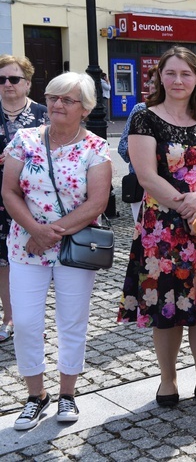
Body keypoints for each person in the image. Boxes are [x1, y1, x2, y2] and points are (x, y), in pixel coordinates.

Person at [117, 46, 196, 408]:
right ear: (159, 77)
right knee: (165, 307)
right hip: (162, 227)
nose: (178, 80)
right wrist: (184, 204)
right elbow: (147, 175)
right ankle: (168, 380)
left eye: (185, 74)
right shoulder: (144, 118)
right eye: (171, 73)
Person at [3, 72, 111, 429]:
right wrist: (35, 230)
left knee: (72, 322)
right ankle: (36, 396)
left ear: (85, 108)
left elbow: (96, 202)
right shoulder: (25, 139)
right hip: (25, 246)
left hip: (73, 250)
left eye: (67, 100)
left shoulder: (95, 147)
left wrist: (50, 234)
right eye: (52, 97)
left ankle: (67, 394)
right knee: (28, 323)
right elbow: (9, 192)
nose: (57, 105)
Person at [0, 54, 48, 343]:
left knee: (33, 260)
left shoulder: (43, 114)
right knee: (3, 262)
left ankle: (31, 319)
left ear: (27, 83)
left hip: (34, 200)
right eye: (2, 79)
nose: (7, 84)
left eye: (14, 78)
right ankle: (9, 317)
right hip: (1, 199)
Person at [118, 66, 157, 221]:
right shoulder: (140, 110)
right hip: (142, 184)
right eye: (151, 82)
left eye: (158, 82)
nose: (153, 86)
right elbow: (122, 147)